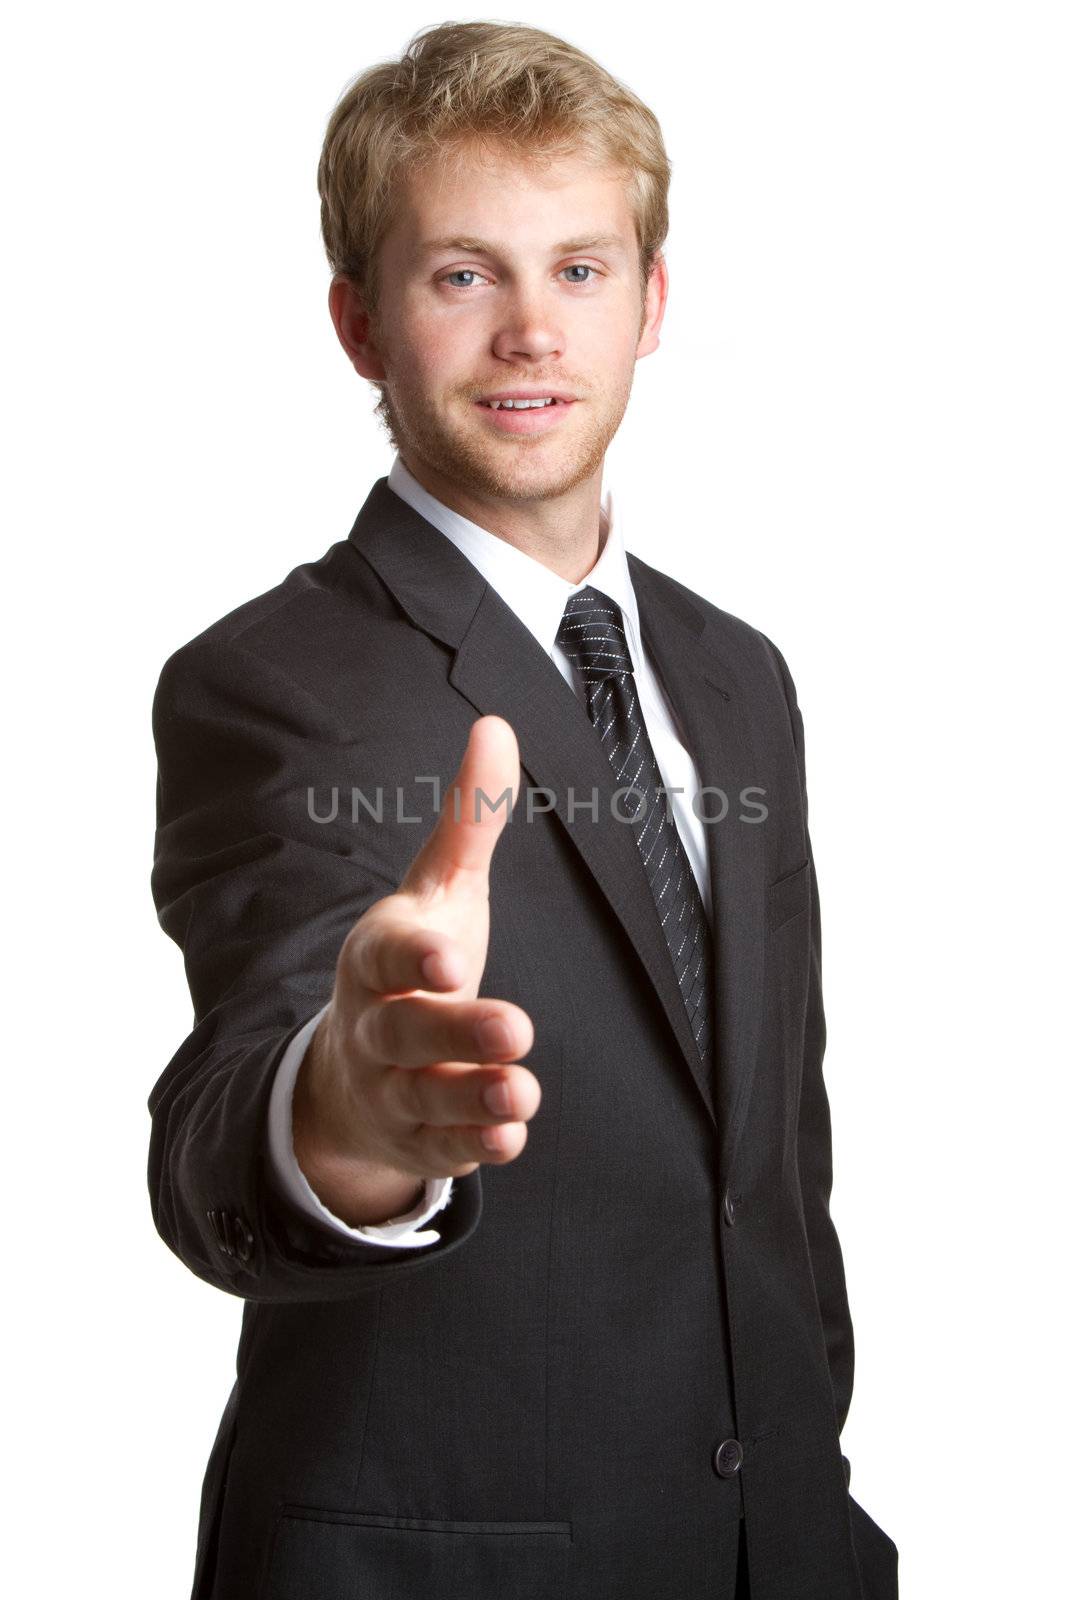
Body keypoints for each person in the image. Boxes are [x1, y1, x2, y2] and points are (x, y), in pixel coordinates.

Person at [148, 21, 898, 1600]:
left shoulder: (736, 673)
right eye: (461, 275)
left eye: (579, 270)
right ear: (361, 323)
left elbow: (773, 1163)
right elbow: (234, 1113)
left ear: (653, 302)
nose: (530, 335)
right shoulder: (269, 682)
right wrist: (342, 1115)